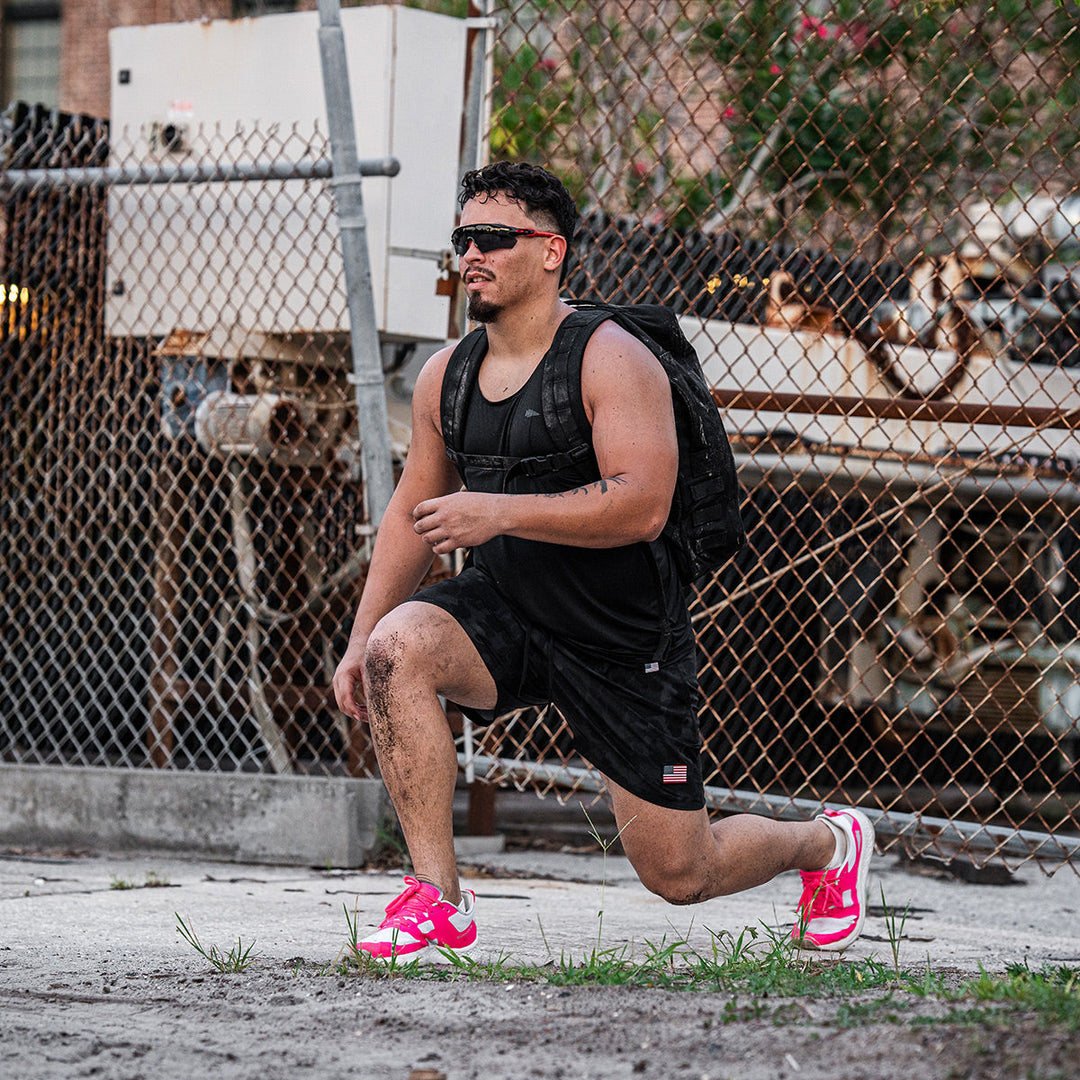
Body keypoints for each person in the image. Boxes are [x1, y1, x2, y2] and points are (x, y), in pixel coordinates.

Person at [333, 161, 874, 962]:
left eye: (491, 238)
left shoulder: (611, 358)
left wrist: (497, 511)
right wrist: (359, 636)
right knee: (396, 651)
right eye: (462, 240)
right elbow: (411, 515)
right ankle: (437, 896)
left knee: (682, 873)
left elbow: (642, 504)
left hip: (619, 638)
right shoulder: (444, 376)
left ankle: (827, 847)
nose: (471, 255)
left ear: (550, 251)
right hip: (507, 610)